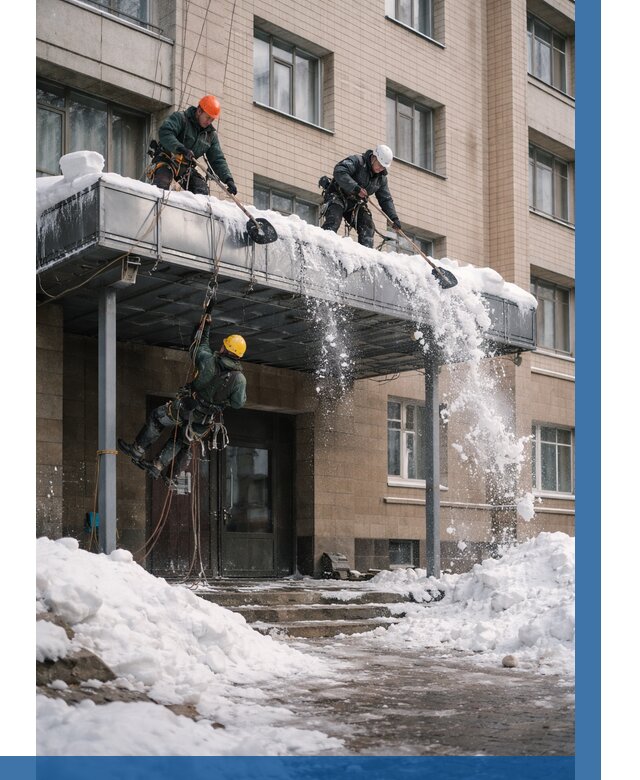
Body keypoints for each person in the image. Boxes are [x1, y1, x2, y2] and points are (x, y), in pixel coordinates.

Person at [118, 317, 247, 488]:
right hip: (204, 420)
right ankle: (157, 466)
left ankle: (138, 449)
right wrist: (221, 403)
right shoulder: (239, 380)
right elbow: (238, 404)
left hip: (186, 406)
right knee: (180, 440)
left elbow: (199, 345)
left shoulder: (208, 361)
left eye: (224, 345)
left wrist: (205, 326)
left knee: (157, 417)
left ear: (225, 348)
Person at [149, 95, 237, 197]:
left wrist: (228, 179)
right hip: (168, 160)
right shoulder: (181, 118)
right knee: (162, 182)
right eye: (207, 117)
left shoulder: (210, 136)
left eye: (212, 120)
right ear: (199, 111)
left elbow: (217, 159)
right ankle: (155, 208)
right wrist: (180, 148)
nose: (209, 122)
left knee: (202, 191)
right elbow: (165, 133)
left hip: (186, 169)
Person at [320, 144, 402, 248]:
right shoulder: (358, 161)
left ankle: (364, 257)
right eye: (380, 165)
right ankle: (322, 246)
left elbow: (385, 199)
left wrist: (393, 218)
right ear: (373, 157)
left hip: (355, 204)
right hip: (337, 195)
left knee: (368, 226)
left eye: (383, 167)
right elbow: (339, 171)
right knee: (334, 220)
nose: (381, 168)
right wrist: (355, 188)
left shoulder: (381, 179)